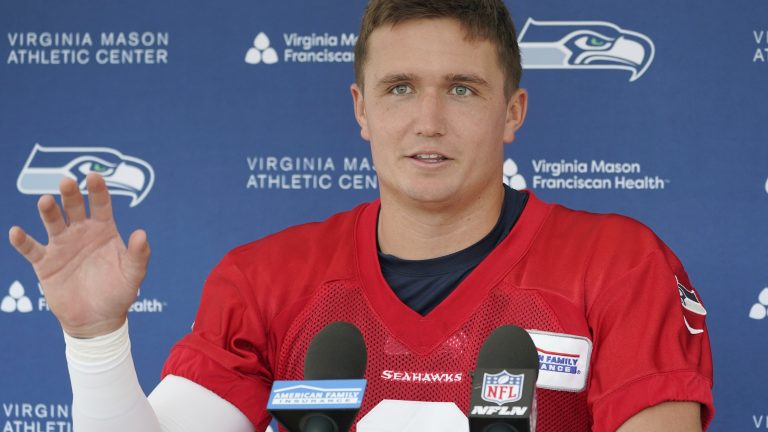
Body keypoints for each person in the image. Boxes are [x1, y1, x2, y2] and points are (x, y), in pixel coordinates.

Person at [8, 0, 713, 431]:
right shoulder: (267, 278)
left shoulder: (619, 264)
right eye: (400, 88)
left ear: (513, 113)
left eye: (462, 90)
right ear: (362, 111)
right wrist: (96, 340)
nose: (428, 121)